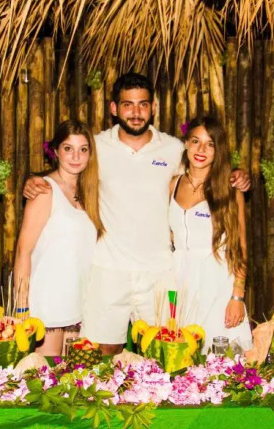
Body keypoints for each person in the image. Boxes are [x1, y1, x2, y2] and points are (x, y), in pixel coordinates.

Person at [24, 73, 250, 354]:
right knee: (100, 355)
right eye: (127, 105)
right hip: (108, 270)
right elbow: (69, 167)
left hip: (160, 274)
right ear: (114, 108)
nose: (135, 112)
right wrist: (34, 180)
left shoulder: (173, 149)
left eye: (143, 104)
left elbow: (205, 172)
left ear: (153, 107)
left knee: (164, 356)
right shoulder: (97, 147)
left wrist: (238, 174)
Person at [13, 119, 105, 356]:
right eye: (68, 148)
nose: (76, 156)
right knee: (45, 374)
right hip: (47, 304)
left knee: (71, 377)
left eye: (83, 149)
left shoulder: (90, 193)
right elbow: (24, 251)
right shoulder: (44, 190)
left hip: (78, 303)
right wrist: (21, 309)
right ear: (55, 151)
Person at [169, 116, 253, 354]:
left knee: (223, 360)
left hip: (217, 282)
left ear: (218, 150)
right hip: (179, 282)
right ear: (186, 143)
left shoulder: (229, 190)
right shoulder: (172, 184)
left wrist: (237, 296)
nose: (201, 150)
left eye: (210, 144)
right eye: (196, 141)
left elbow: (240, 246)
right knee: (181, 359)